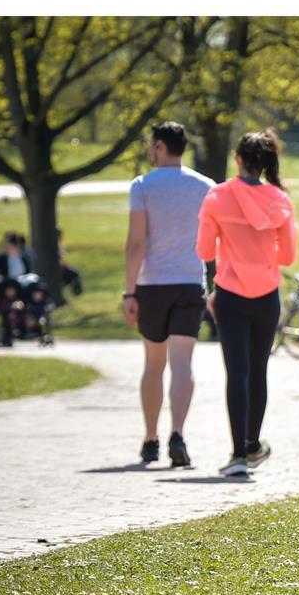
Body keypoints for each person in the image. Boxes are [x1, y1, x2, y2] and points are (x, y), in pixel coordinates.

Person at [196, 129, 298, 477]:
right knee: (258, 372)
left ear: (238, 158)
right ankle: (253, 444)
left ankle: (239, 453)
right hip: (266, 295)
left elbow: (204, 251)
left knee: (236, 373)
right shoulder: (280, 200)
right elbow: (287, 255)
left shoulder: (217, 196)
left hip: (230, 294)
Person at [122, 122, 215, 467]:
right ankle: (178, 433)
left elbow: (136, 243)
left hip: (153, 284)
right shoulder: (206, 187)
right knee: (182, 363)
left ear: (160, 146)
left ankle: (150, 440)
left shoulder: (143, 185)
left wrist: (129, 292)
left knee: (153, 364)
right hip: (190, 281)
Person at [0, 231, 32, 346]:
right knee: (6, 304)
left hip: (21, 288)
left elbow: (29, 272)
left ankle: (24, 329)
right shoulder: (2, 259)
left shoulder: (23, 257)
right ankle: (7, 333)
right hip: (6, 287)